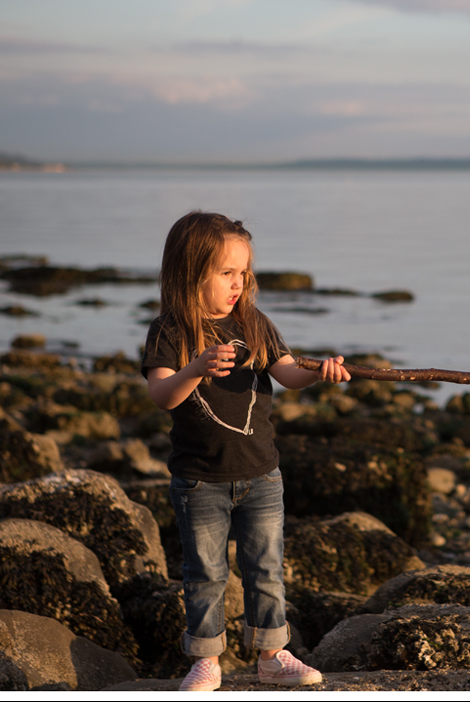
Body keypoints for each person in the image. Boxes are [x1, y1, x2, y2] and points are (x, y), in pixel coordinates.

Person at [141, 211, 350, 691]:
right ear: (191, 273)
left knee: (266, 569)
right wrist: (196, 367)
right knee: (205, 573)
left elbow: (288, 373)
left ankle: (272, 656)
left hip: (261, 473)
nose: (239, 283)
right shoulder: (170, 330)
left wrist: (320, 371)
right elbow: (162, 395)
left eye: (243, 272)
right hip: (199, 479)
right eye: (226, 273)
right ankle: (206, 660)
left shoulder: (252, 322)